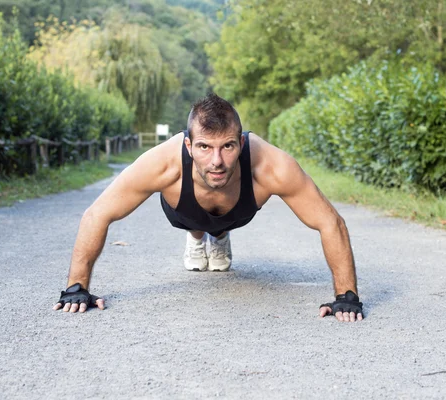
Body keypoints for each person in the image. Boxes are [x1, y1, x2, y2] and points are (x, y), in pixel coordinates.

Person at [53, 93, 364, 322]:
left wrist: (346, 297)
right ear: (189, 145)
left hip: (237, 212)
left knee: (222, 217)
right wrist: (76, 288)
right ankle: (199, 237)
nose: (217, 161)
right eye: (204, 147)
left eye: (227, 146)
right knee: (197, 224)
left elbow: (329, 221)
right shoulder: (162, 163)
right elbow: (98, 213)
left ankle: (219, 236)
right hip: (184, 211)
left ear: (241, 143)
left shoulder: (271, 166)